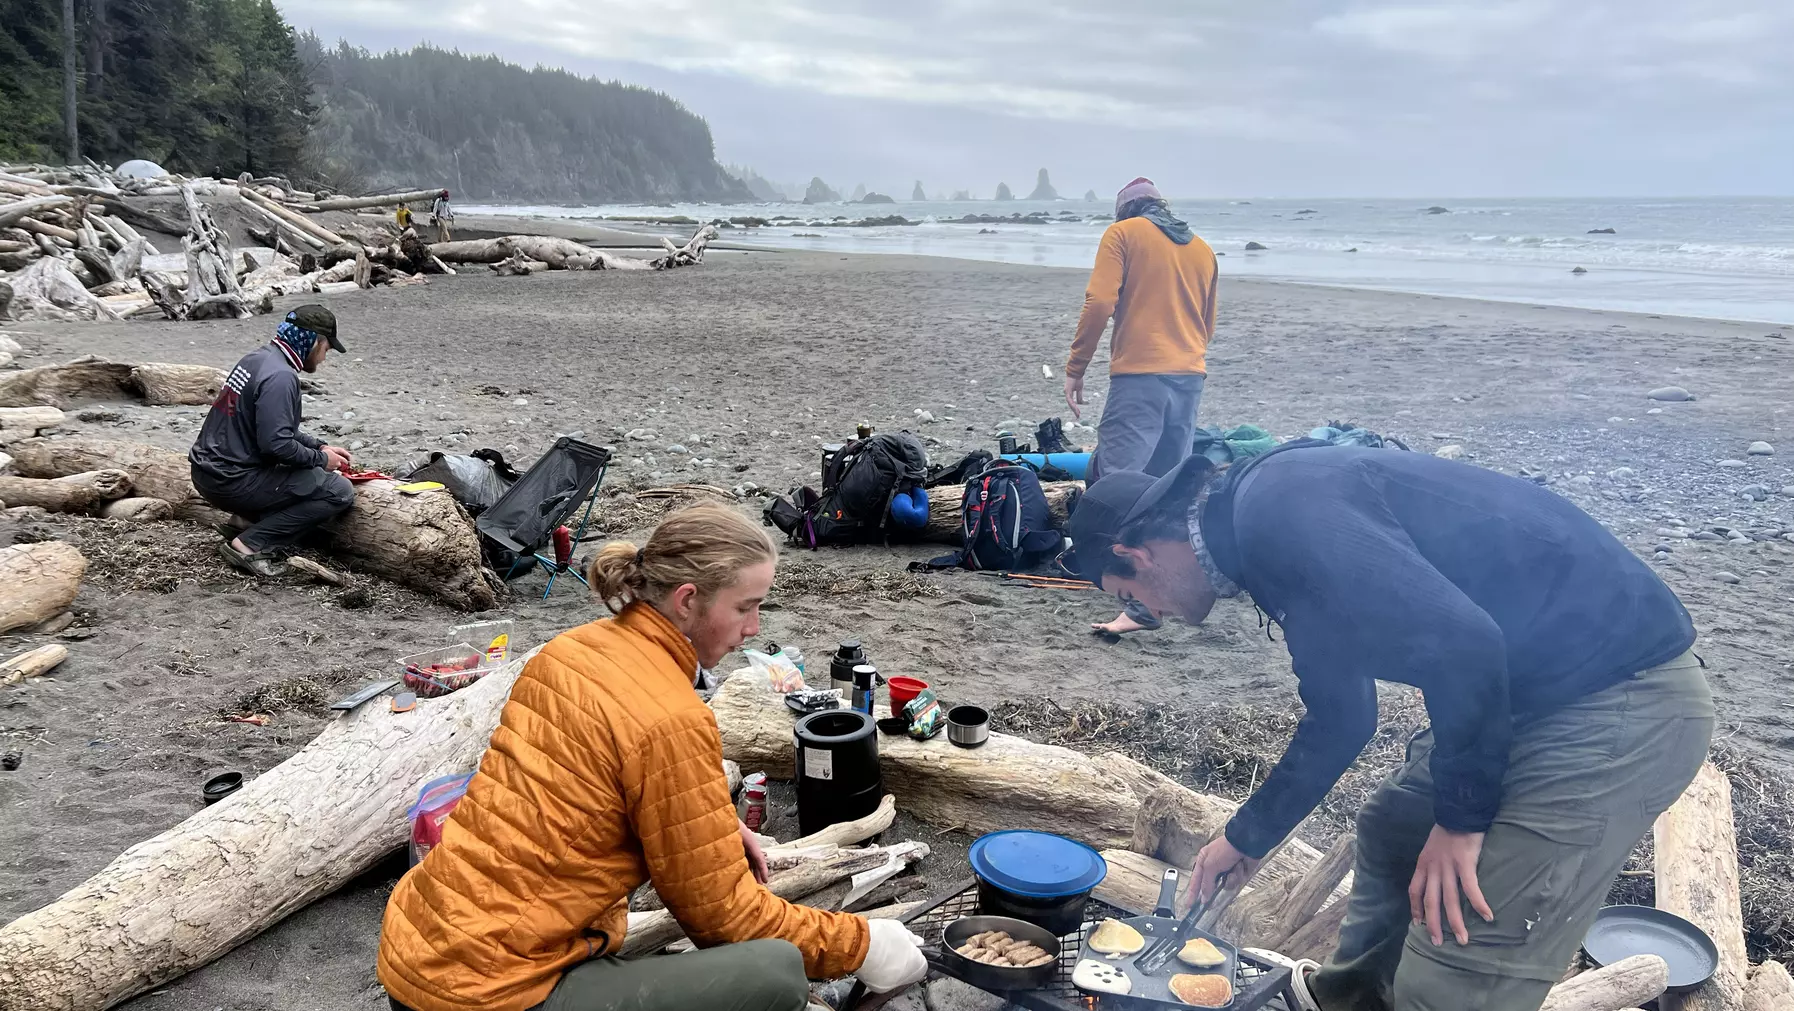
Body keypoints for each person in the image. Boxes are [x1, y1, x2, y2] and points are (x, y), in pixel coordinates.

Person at [1065, 446, 1714, 1011]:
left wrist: (1462, 820)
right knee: (1396, 825)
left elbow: (1465, 642)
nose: (1147, 613)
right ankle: (1355, 1001)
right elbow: (1343, 714)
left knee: (1454, 956)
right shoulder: (1256, 537)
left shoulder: (1280, 512)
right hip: (1531, 692)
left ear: (1137, 552)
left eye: (1129, 596)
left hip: (1621, 696)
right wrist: (1247, 836)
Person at [377, 504, 928, 1011]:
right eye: (746, 607)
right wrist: (865, 945)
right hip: (485, 993)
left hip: (421, 939)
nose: (755, 629)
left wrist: (712, 816)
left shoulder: (570, 650)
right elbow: (725, 919)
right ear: (687, 600)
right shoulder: (672, 719)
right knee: (778, 971)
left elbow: (573, 790)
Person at [1062, 176, 1218, 637]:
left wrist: (1077, 366)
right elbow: (1206, 323)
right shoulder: (1202, 249)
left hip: (1140, 377)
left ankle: (1124, 591)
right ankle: (1160, 593)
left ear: (1123, 211)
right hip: (1189, 375)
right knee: (1168, 492)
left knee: (1117, 484)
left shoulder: (1122, 235)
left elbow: (1099, 302)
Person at [189, 304, 353, 577]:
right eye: (327, 349)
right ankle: (251, 544)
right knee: (338, 490)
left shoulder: (257, 359)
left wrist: (319, 446)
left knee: (307, 470)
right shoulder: (281, 376)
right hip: (230, 481)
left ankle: (245, 521)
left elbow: (274, 430)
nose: (324, 358)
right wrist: (322, 461)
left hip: (207, 472)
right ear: (313, 342)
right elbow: (276, 444)